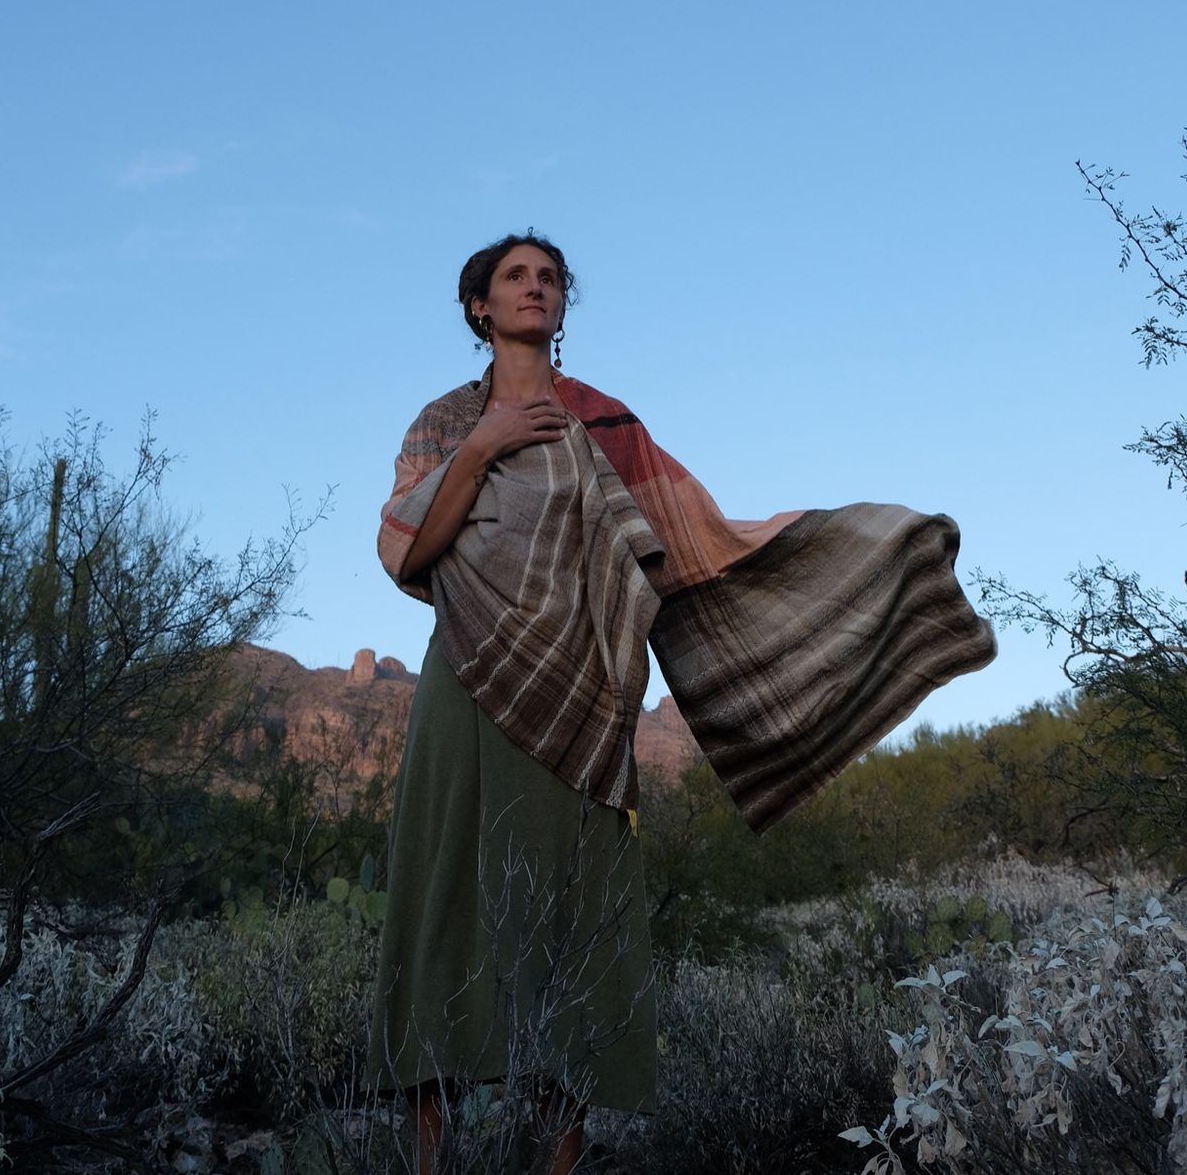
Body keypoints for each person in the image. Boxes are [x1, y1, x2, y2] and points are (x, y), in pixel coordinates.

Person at [367, 232, 997, 1174]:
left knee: (574, 926)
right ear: (479, 309)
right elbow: (403, 552)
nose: (535, 289)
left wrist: (847, 544)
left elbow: (699, 539)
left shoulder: (608, 423)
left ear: (560, 306)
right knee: (442, 906)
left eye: (549, 279)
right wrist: (487, 446)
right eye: (515, 278)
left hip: (583, 707)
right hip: (465, 682)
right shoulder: (441, 423)